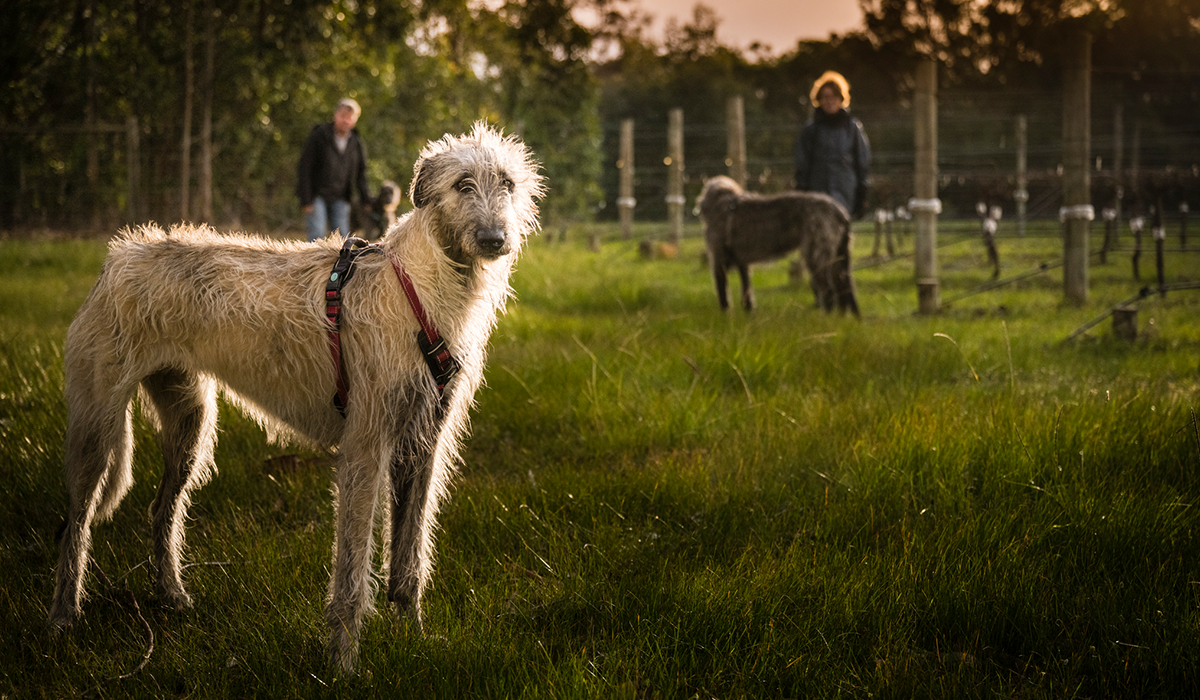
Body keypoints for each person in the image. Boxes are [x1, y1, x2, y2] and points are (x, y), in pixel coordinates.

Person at [794, 71, 871, 218]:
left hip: (845, 191)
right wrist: (802, 190)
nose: (830, 101)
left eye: (834, 97)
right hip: (817, 193)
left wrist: (862, 193)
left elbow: (862, 162)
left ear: (841, 99)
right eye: (825, 97)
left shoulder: (852, 129)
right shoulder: (810, 130)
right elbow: (802, 164)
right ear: (819, 100)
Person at [297, 98, 372, 241]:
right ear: (335, 115)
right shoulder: (319, 135)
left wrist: (366, 200)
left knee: (342, 238)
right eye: (343, 116)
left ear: (355, 120)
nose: (346, 121)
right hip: (316, 195)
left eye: (350, 118)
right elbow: (304, 167)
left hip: (341, 197)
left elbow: (361, 173)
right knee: (317, 234)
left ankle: (338, 264)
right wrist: (306, 199)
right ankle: (312, 264)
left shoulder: (356, 143)